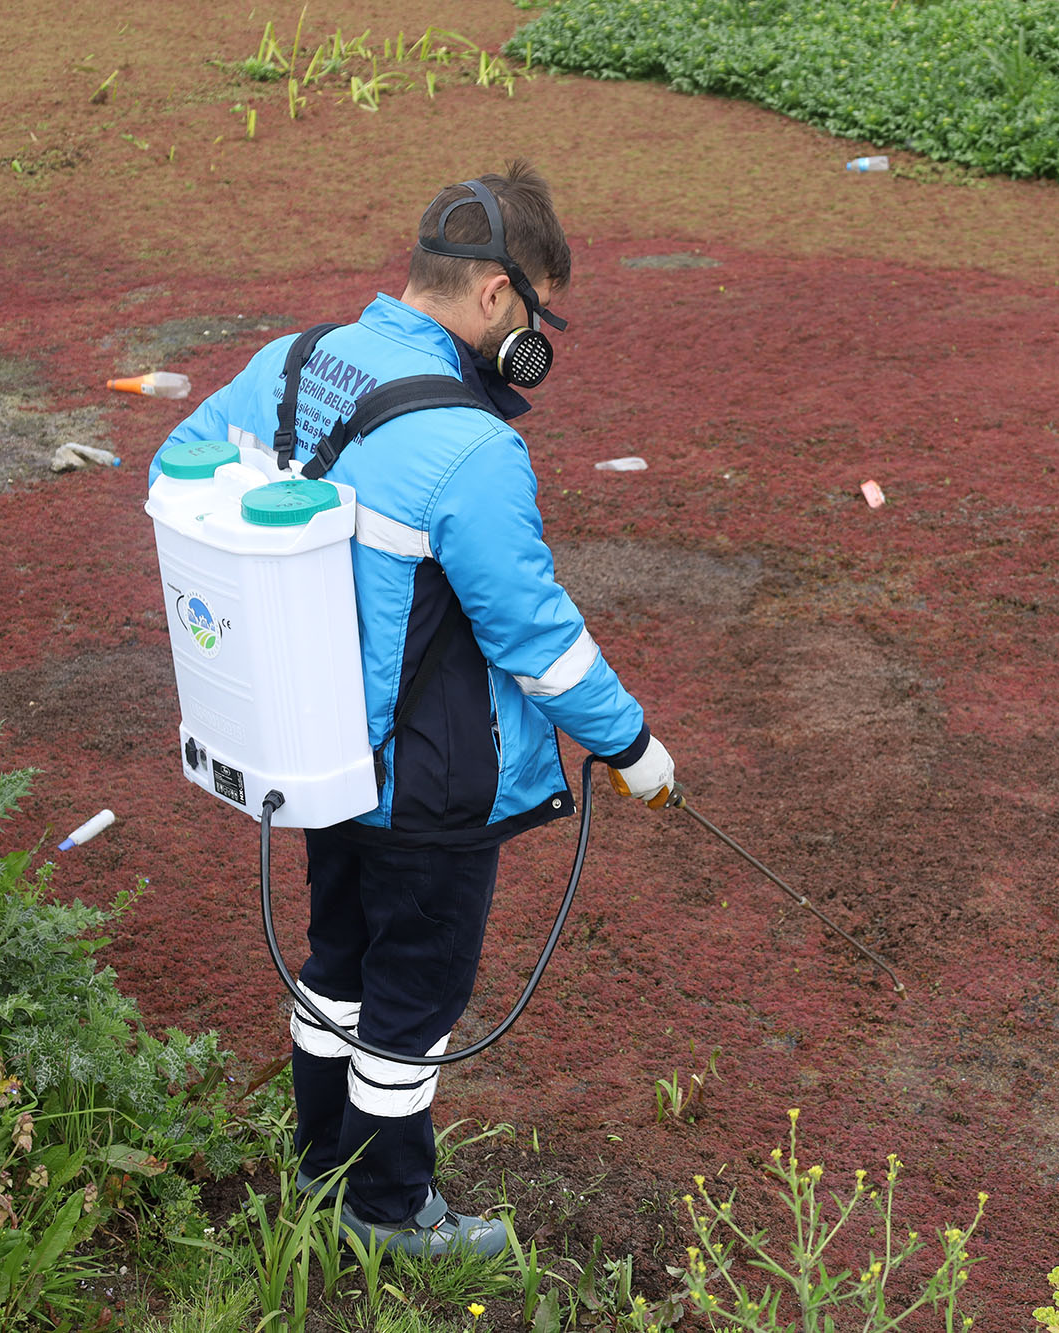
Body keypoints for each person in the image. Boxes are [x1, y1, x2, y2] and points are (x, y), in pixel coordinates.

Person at [150, 161, 676, 1258]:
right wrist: (630, 744)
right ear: (496, 298)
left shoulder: (285, 362)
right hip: (431, 780)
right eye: (538, 312)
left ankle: (318, 1166)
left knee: (337, 955)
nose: (537, 337)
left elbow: (178, 467)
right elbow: (536, 637)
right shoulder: (473, 449)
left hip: (319, 748)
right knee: (415, 995)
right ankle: (389, 1211)